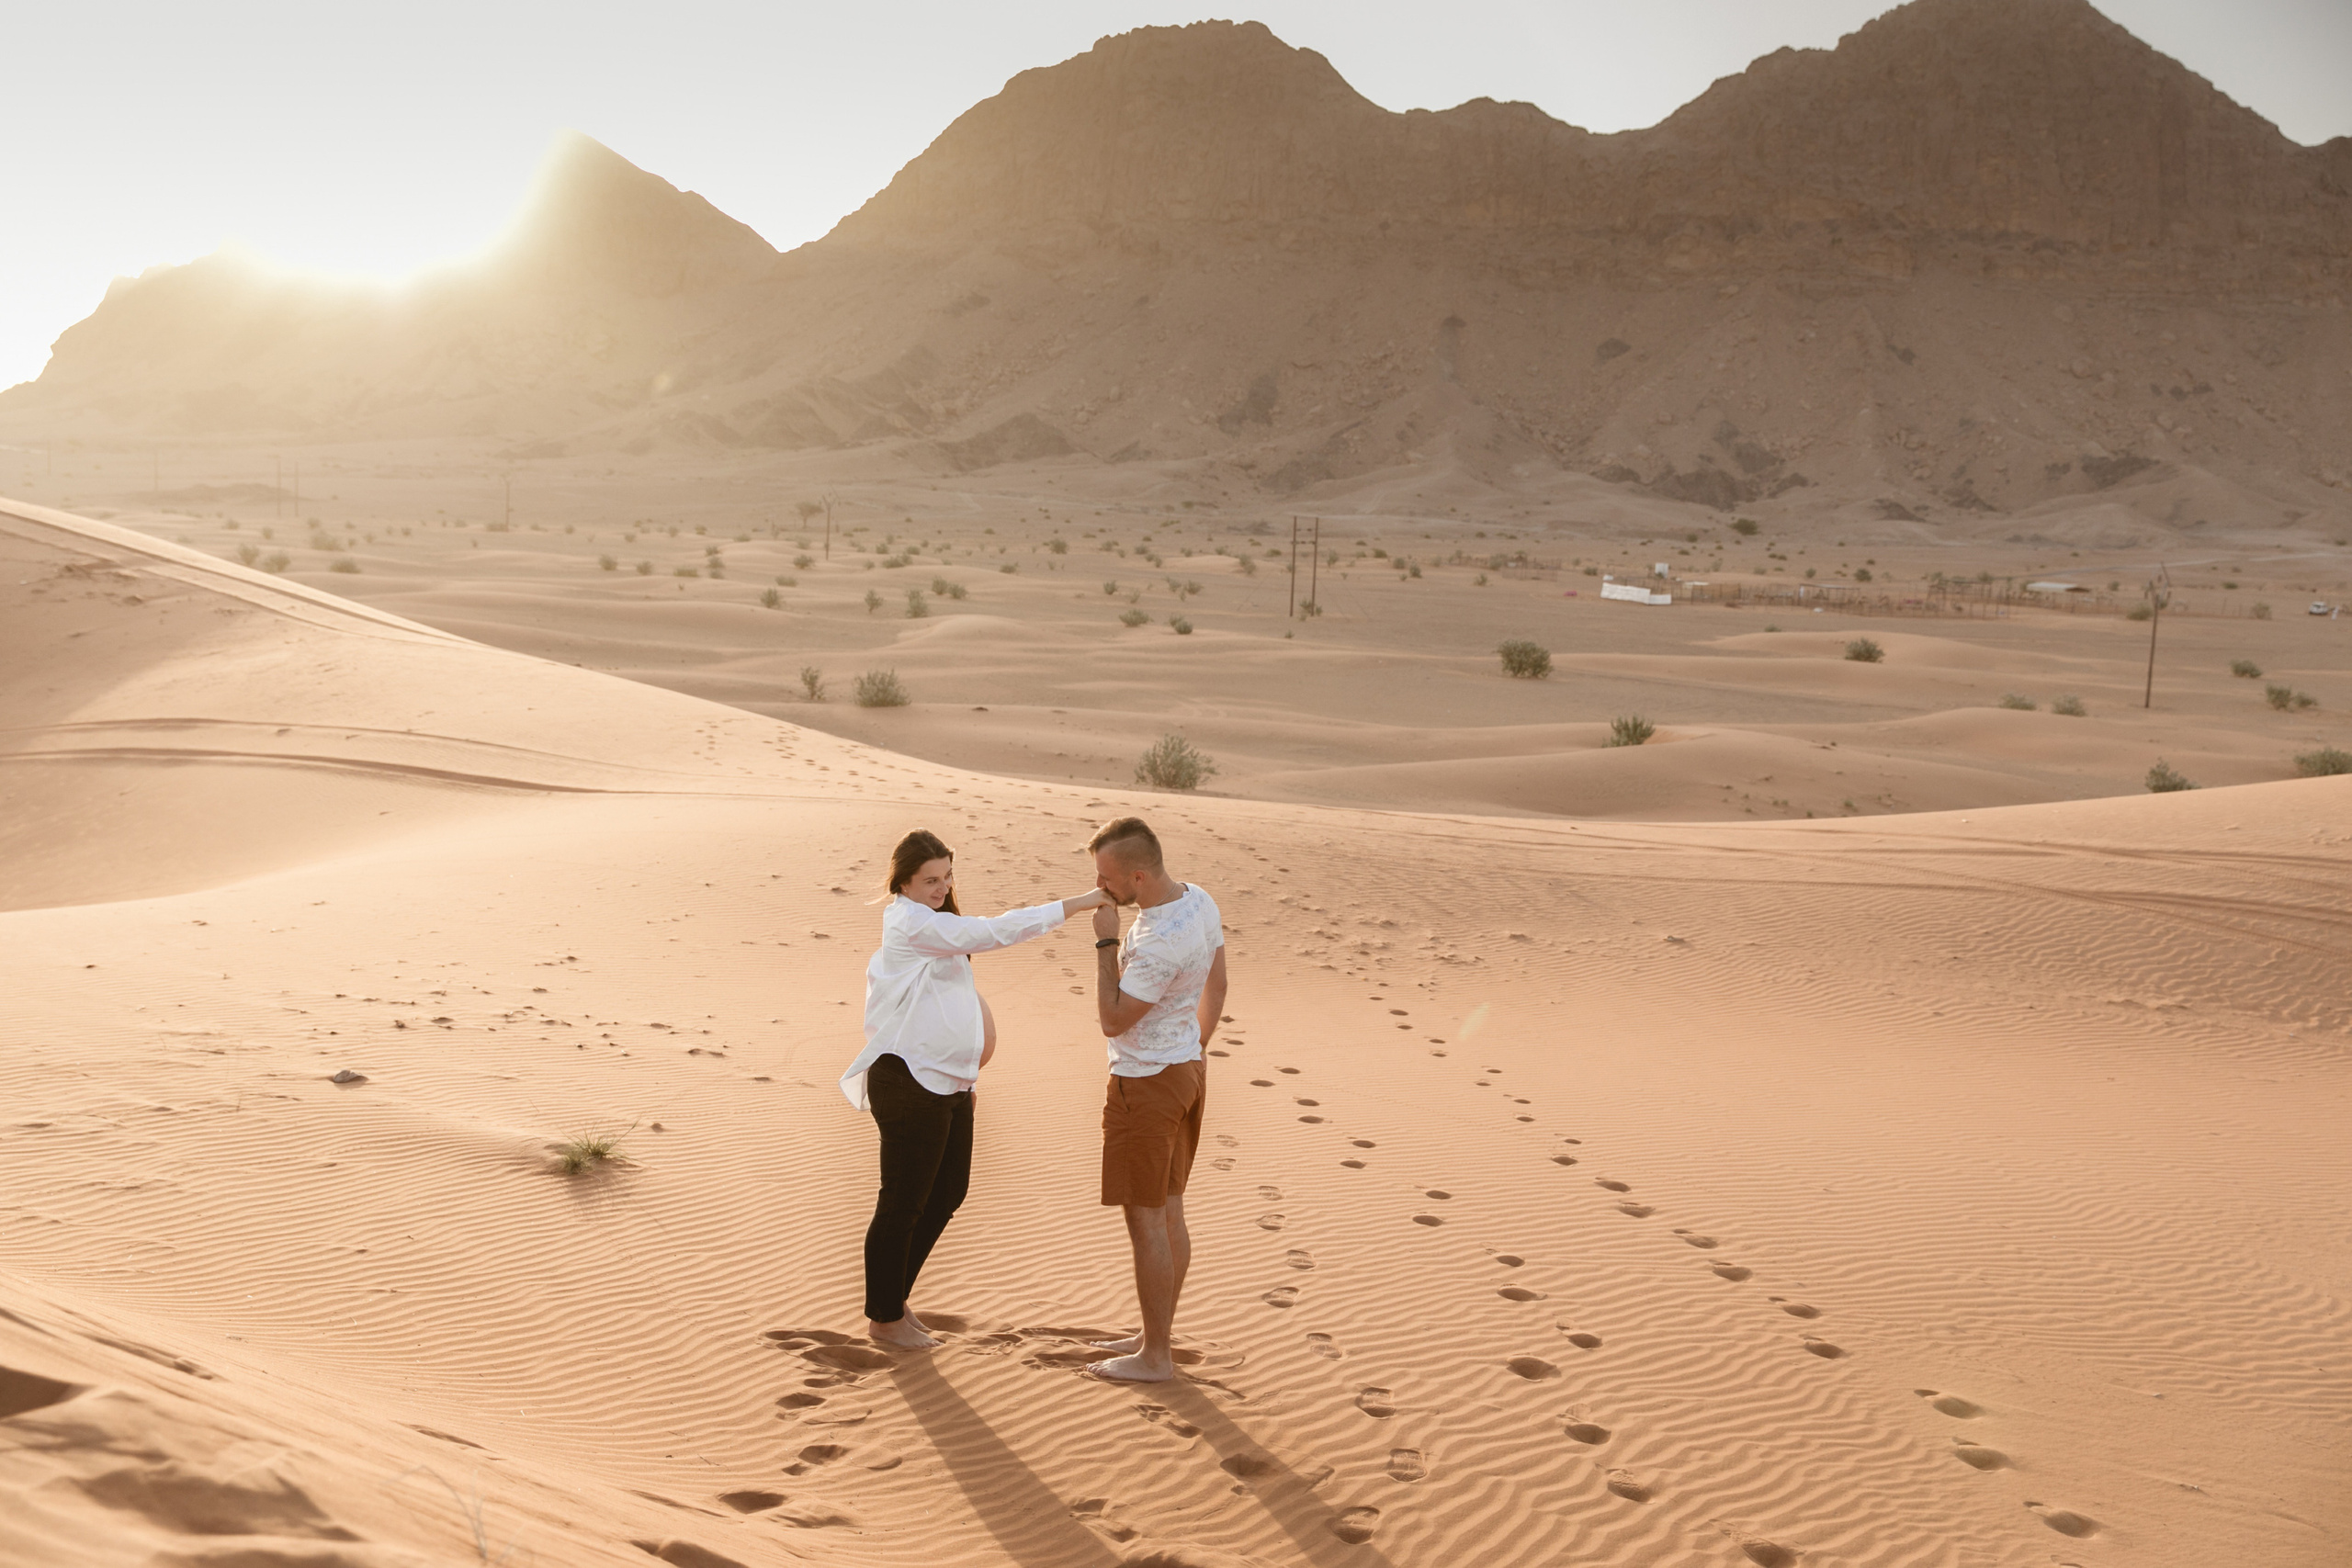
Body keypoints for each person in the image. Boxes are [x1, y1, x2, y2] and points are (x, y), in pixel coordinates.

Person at [842, 829, 1108, 1349]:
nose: (941, 888)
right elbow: (995, 932)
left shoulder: (936, 922)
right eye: (929, 880)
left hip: (948, 1083)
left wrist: (966, 1074)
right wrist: (1077, 904)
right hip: (909, 1081)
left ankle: (893, 1301)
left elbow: (944, 1001)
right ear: (903, 882)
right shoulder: (911, 922)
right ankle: (884, 1316)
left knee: (946, 1194)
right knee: (903, 1201)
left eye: (947, 876)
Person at [1081, 816, 1227, 1382]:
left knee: (1145, 1221)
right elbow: (1218, 984)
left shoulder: (1158, 941)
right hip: (1184, 1071)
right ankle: (1153, 1332)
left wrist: (1104, 942)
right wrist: (1194, 1047)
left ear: (1137, 877)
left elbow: (1113, 1020)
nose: (1101, 889)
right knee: (1169, 1210)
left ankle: (1155, 1357)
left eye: (1106, 879)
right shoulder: (1200, 901)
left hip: (1145, 1085)